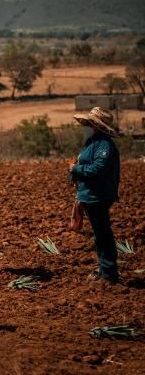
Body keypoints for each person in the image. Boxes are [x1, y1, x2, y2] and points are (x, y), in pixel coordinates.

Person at [69, 107, 121, 283]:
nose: (86, 126)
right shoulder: (92, 142)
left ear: (95, 125)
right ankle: (104, 268)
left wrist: (76, 168)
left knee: (103, 234)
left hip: (98, 195)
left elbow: (98, 168)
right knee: (99, 234)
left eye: (89, 123)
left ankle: (109, 272)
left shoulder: (103, 145)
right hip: (90, 194)